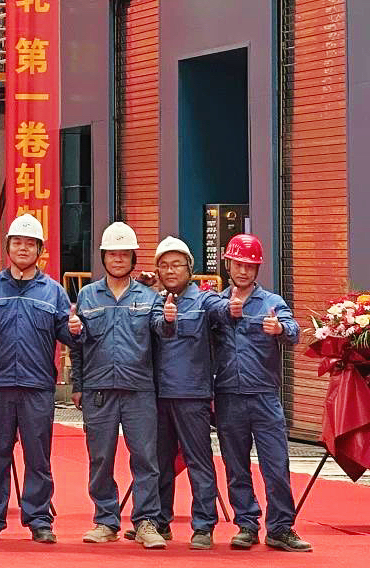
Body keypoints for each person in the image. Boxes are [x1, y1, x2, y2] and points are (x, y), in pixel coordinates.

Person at [0, 213, 74, 544]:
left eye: (30, 244)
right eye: (17, 243)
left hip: (37, 387)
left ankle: (39, 519)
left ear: (40, 250)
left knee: (38, 458)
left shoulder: (53, 292)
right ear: (8, 247)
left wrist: (76, 330)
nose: (23, 248)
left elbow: (68, 335)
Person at [211, 233, 311, 552]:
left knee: (276, 465)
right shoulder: (215, 304)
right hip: (228, 396)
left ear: (258, 269)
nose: (243, 271)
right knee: (236, 466)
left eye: (250, 266)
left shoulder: (272, 303)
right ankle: (246, 525)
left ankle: (280, 527)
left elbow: (294, 331)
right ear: (228, 264)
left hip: (264, 397)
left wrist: (280, 329)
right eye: (238, 264)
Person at [68, 222, 165, 548]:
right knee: (100, 459)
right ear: (104, 257)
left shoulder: (149, 297)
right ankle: (105, 521)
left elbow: (162, 337)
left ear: (133, 258)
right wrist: (77, 385)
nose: (118, 259)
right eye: (112, 254)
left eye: (124, 254)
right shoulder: (87, 295)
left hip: (139, 390)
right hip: (98, 390)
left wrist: (169, 319)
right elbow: (77, 346)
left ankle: (146, 522)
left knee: (146, 459)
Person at [149, 235, 233, 549]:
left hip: (192, 396)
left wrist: (233, 307)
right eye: (164, 265)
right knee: (159, 463)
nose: (171, 270)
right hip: (158, 397)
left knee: (199, 462)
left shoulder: (205, 301)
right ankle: (160, 522)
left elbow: (224, 311)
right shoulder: (154, 302)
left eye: (177, 265)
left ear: (190, 269)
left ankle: (203, 525)